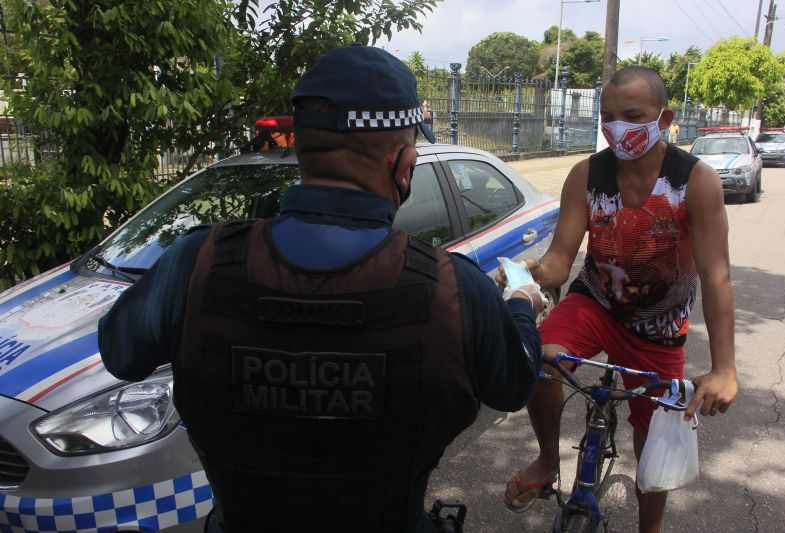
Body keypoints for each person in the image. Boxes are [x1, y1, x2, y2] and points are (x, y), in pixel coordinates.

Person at [98, 43, 545, 533]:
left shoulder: (196, 262)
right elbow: (513, 385)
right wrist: (522, 303)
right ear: (403, 166)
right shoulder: (452, 288)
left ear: (303, 151)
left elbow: (121, 351)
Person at [501, 67, 737, 533]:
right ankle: (549, 460)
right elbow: (559, 262)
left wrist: (725, 368)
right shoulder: (587, 174)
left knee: (655, 445)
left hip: (659, 326)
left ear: (665, 117)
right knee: (537, 357)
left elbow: (716, 276)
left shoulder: (696, 182)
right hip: (595, 305)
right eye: (609, 116)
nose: (618, 128)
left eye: (633, 115)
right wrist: (522, 273)